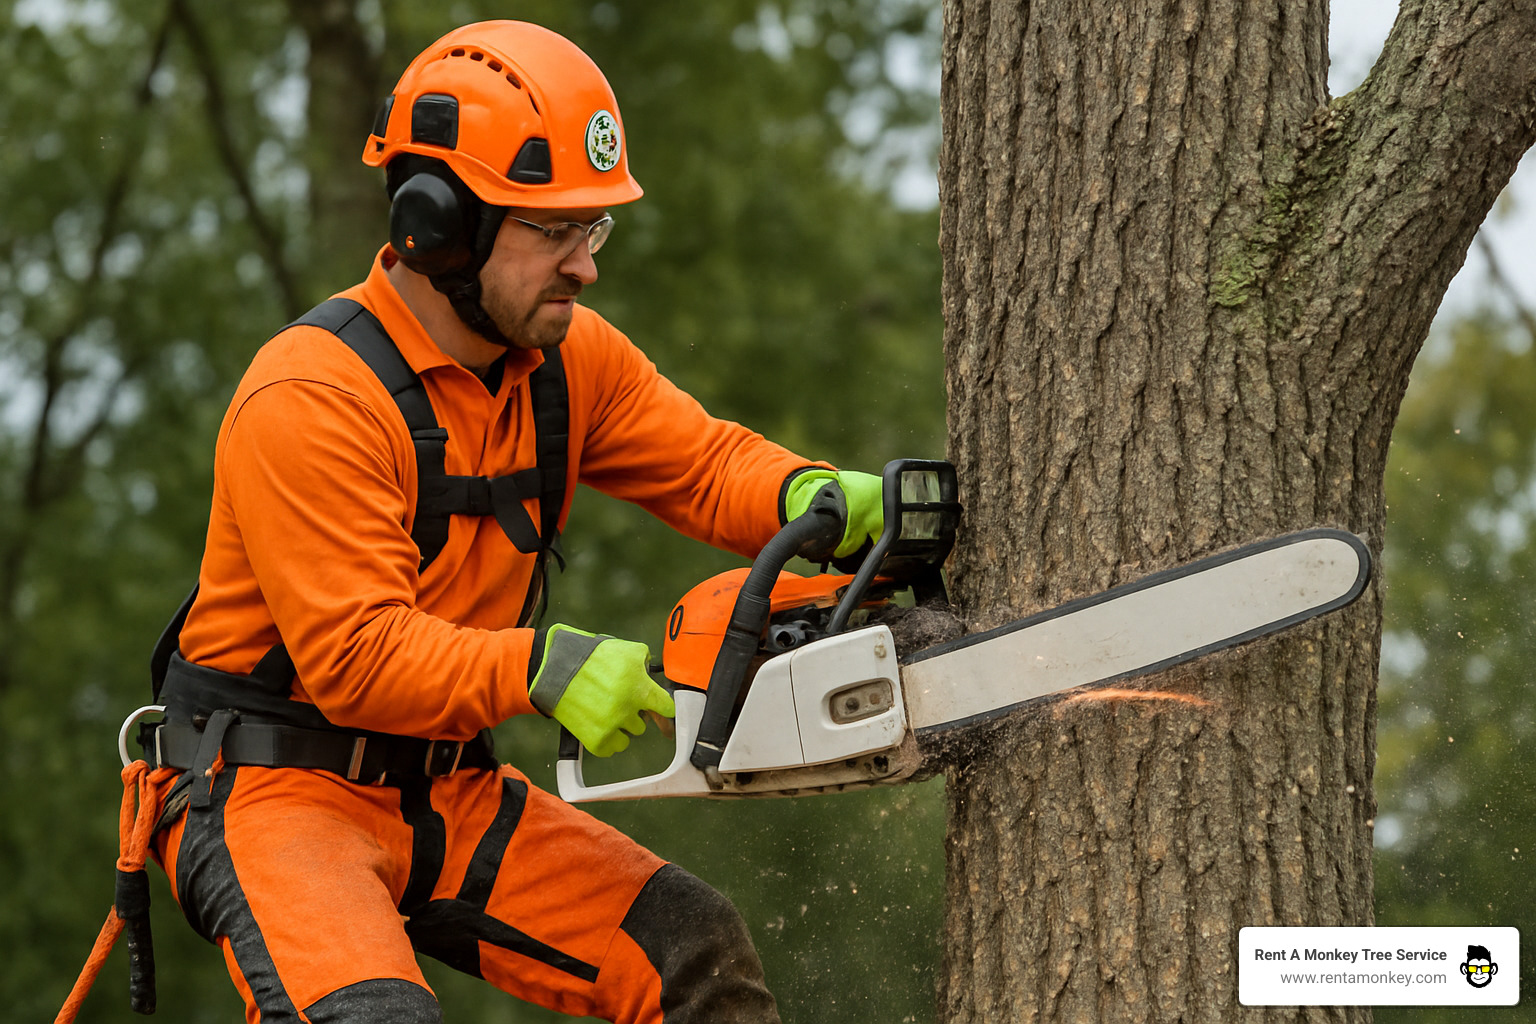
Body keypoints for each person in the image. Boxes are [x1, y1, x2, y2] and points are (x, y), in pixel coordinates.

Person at [134, 18, 886, 1024]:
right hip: (275, 790)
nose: (585, 266)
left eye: (594, 229)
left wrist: (813, 497)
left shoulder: (569, 360)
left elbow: (707, 465)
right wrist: (544, 664)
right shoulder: (312, 396)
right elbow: (353, 655)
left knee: (691, 954)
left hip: (451, 791)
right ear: (439, 223)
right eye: (555, 231)